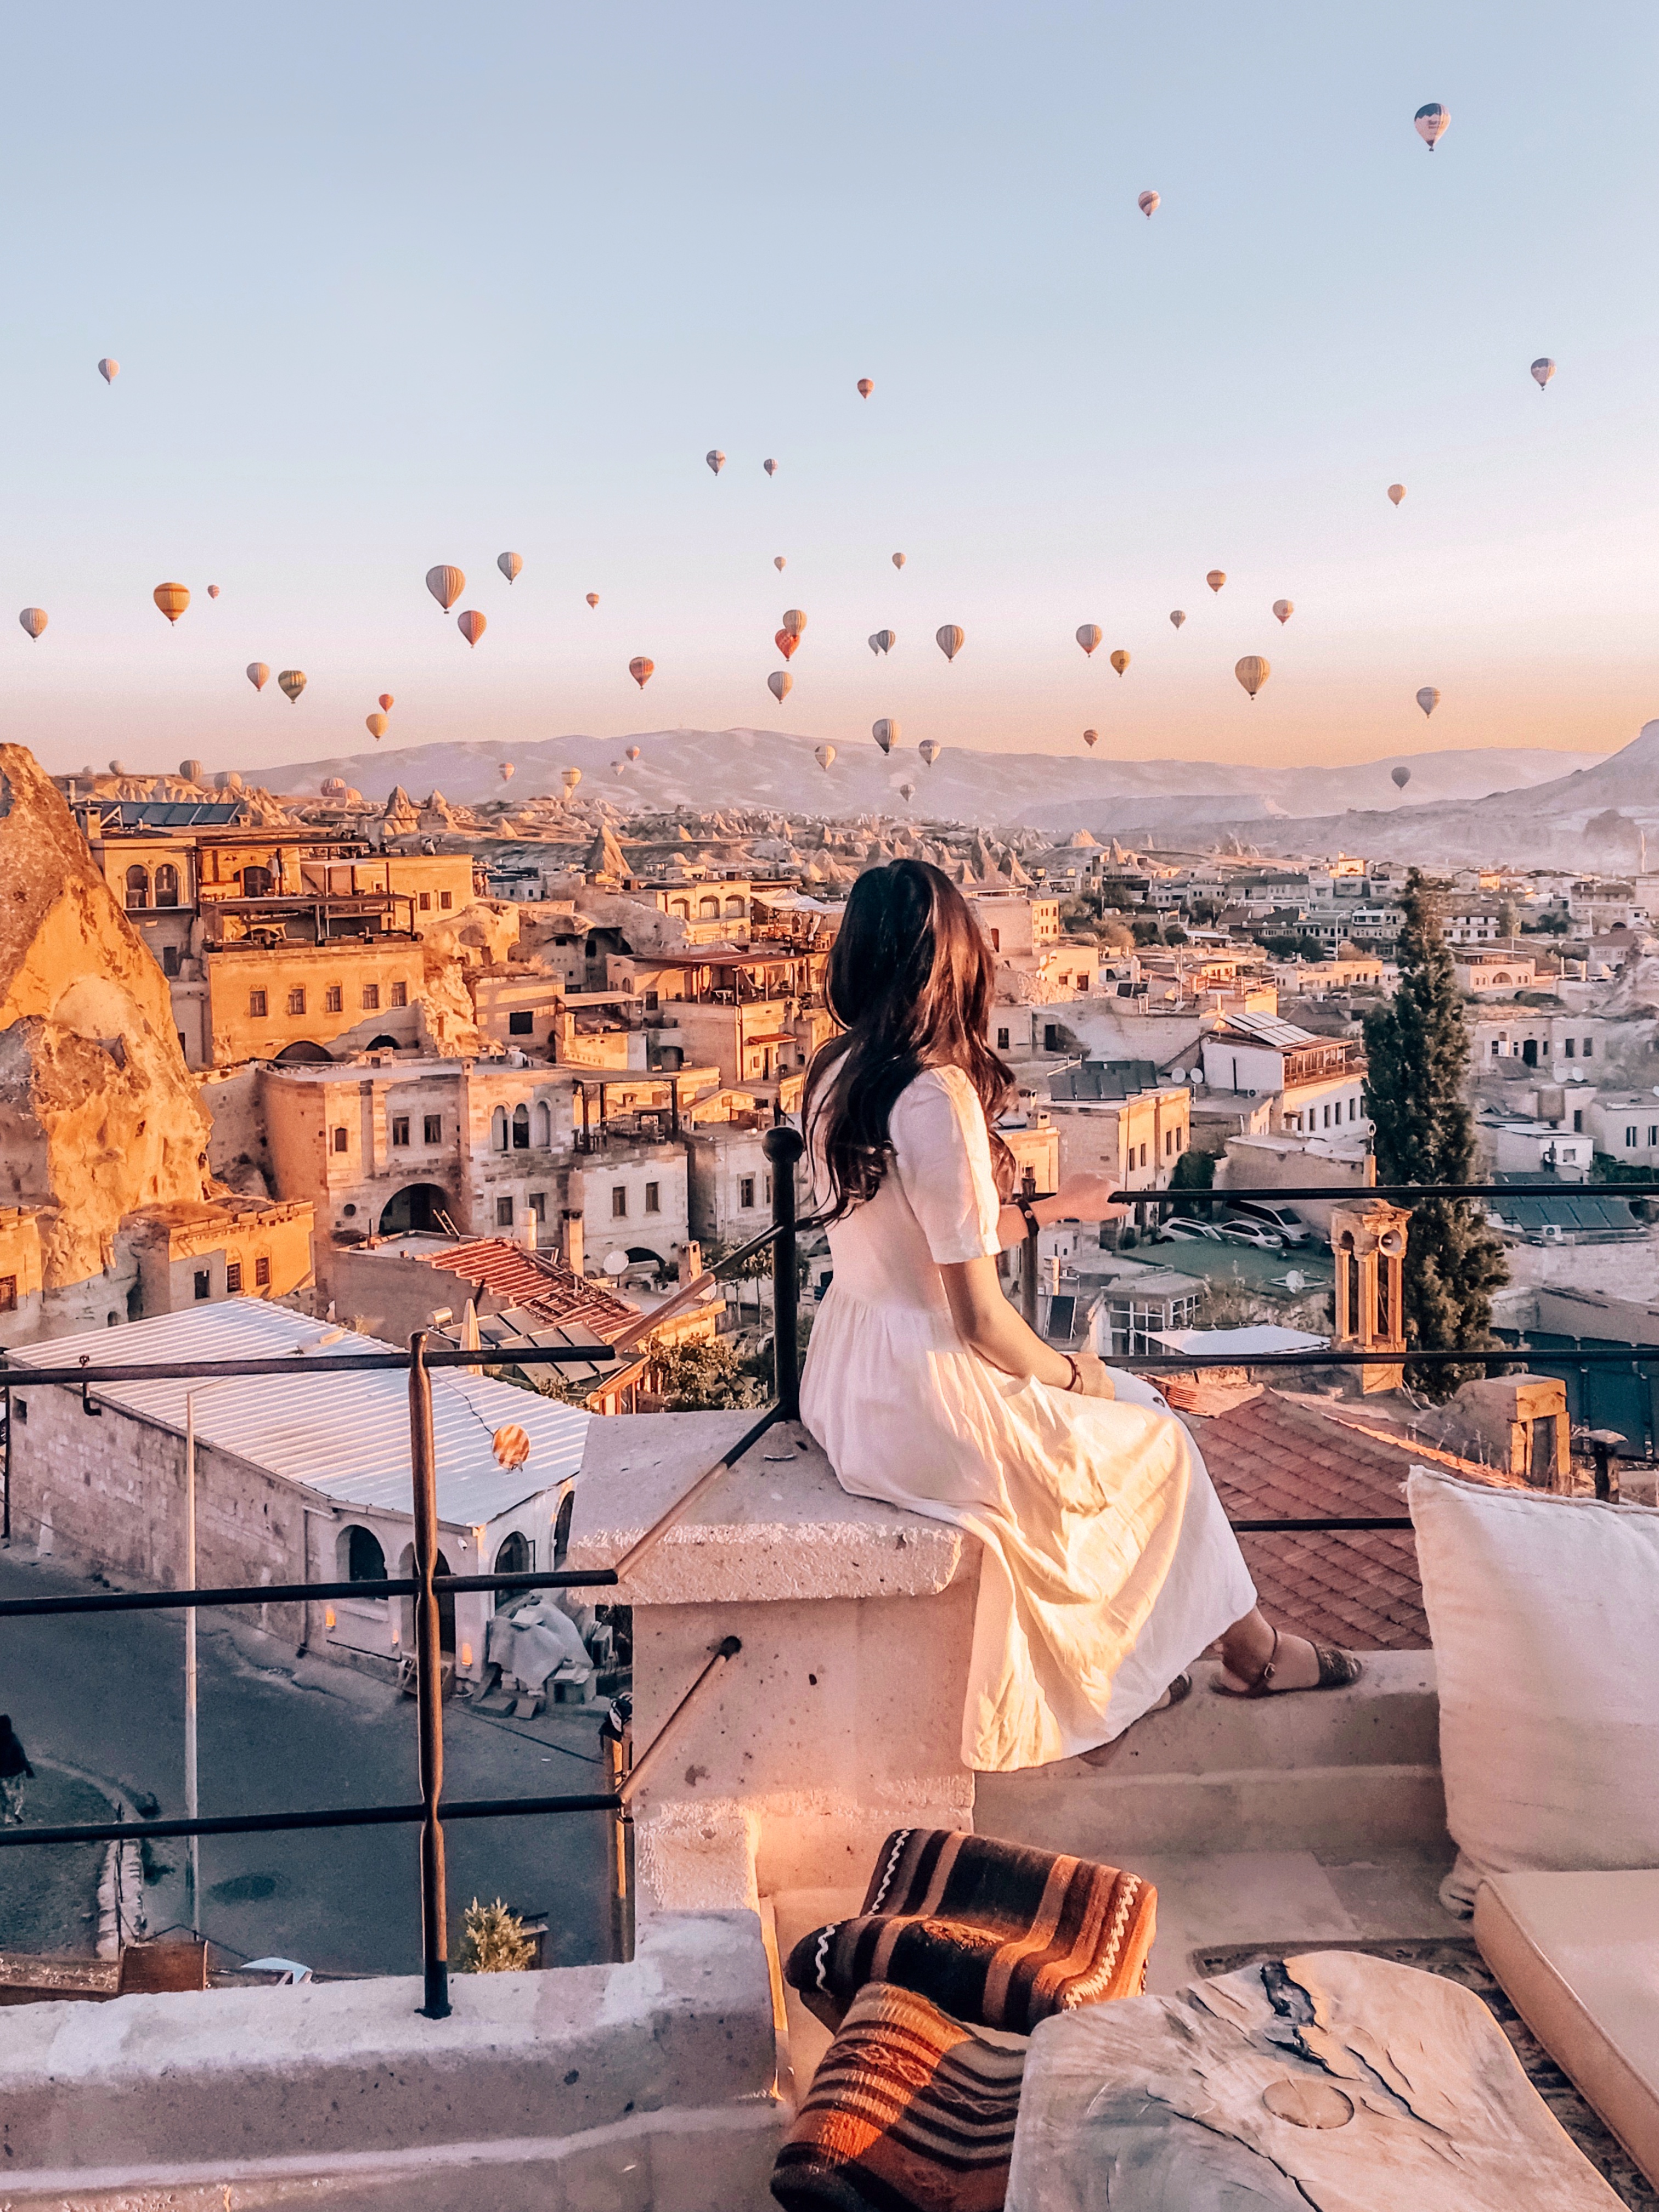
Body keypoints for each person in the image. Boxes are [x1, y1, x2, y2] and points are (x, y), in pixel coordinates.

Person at [799, 860, 1361, 1775]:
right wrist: (1074, 1376)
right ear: (948, 963)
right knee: (1153, 1434)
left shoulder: (833, 1077)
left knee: (1127, 1422)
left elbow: (917, 1239)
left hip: (854, 1378)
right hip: (931, 1393)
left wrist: (1054, 1211)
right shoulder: (934, 1097)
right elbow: (979, 1321)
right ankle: (1225, 1659)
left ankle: (1211, 1653)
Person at [0, 1714, 33, 1825]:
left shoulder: (12, 1740)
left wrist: (27, 1768)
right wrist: (27, 1768)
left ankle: (11, 1815)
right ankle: (10, 1816)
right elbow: (21, 1755)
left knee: (11, 1797)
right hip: (10, 1773)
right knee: (9, 1797)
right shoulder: (12, 1739)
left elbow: (21, 1755)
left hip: (11, 1773)